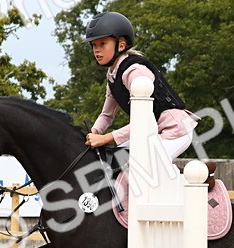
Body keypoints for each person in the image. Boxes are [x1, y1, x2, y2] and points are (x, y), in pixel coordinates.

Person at [82, 11, 199, 162]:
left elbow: (144, 120)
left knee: (140, 165)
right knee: (115, 161)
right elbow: (107, 115)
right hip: (151, 131)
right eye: (94, 45)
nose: (96, 50)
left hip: (175, 131)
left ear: (121, 45)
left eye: (102, 44)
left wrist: (105, 138)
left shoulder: (135, 72)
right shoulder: (113, 76)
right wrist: (93, 133)